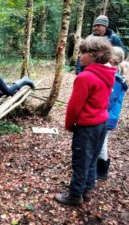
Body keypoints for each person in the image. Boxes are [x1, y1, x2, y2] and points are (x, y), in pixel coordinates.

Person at [54, 36, 117, 206]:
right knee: (92, 158)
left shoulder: (85, 77)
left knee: (81, 161)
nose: (80, 56)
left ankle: (75, 196)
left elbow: (74, 107)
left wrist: (68, 124)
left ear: (94, 55)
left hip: (87, 127)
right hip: (101, 124)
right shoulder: (108, 73)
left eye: (83, 53)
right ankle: (87, 190)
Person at [97, 46, 128, 180]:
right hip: (108, 116)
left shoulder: (116, 80)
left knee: (102, 142)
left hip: (107, 117)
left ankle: (102, 170)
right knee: (102, 141)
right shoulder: (117, 77)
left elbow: (109, 101)